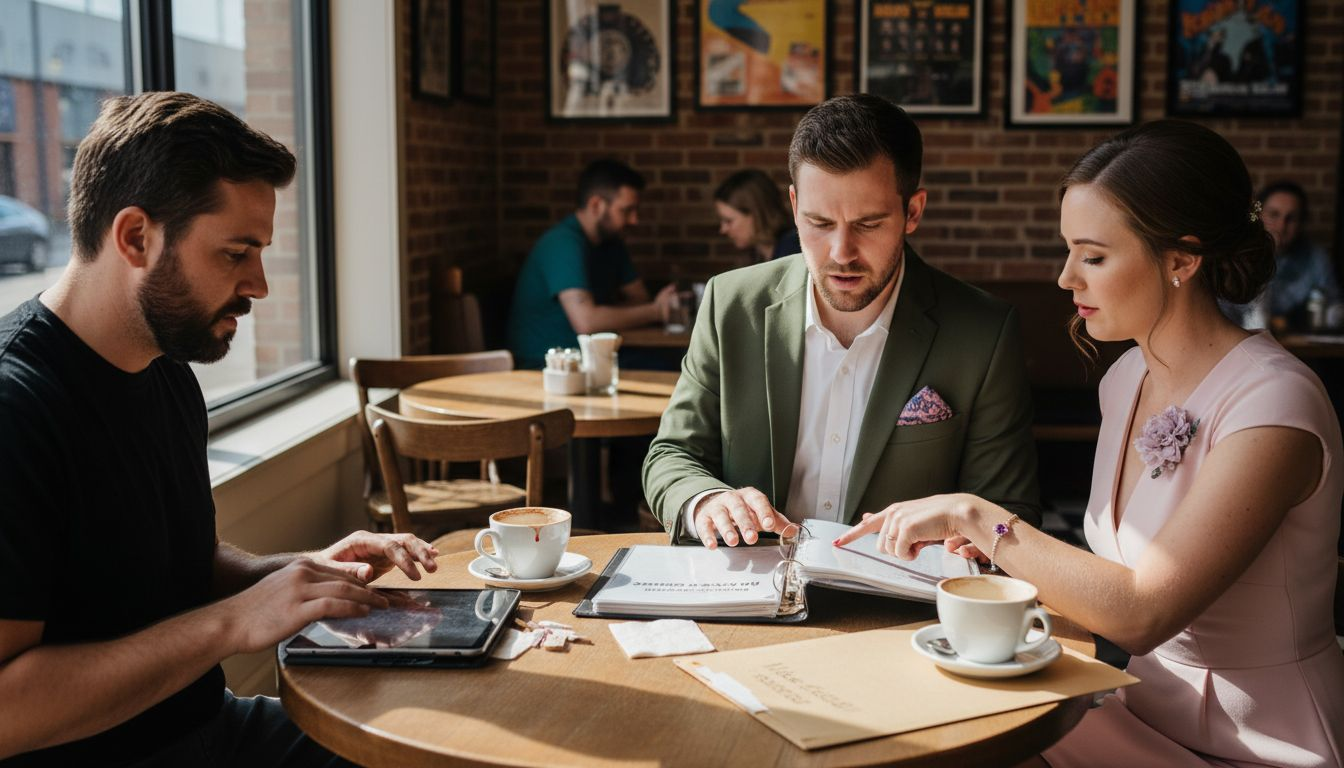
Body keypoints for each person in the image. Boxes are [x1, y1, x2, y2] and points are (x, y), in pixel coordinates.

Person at [837, 120, 1344, 767]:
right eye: (1068, 251)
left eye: (1093, 256)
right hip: (1136, 704)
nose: (1065, 278)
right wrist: (1002, 558)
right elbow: (1112, 579)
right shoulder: (1127, 378)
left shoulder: (1274, 405)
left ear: (1182, 259)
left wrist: (976, 515)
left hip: (1260, 740)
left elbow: (1141, 612)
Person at [0, 92, 441, 766]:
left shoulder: (167, 370)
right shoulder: (15, 409)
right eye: (237, 253)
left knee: (433, 749)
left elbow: (184, 566)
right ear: (135, 237)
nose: (259, 285)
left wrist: (304, 573)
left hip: (210, 730)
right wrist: (234, 622)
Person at [643, 94, 1040, 548]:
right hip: (751, 578)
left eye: (868, 224)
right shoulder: (730, 304)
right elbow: (672, 454)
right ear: (794, 206)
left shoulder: (984, 332)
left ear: (912, 212)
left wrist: (985, 542)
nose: (841, 253)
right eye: (819, 223)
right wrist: (705, 501)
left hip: (899, 588)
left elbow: (1010, 509)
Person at [507, 158, 675, 370]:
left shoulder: (612, 242)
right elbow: (587, 323)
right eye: (626, 211)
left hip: (596, 359)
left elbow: (639, 298)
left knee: (675, 363)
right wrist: (656, 311)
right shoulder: (562, 244)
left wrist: (603, 314)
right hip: (549, 365)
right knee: (669, 368)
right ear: (596, 205)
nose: (635, 220)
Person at [714, 169, 801, 263]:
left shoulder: (793, 250)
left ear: (756, 215)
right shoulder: (756, 255)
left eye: (729, 221)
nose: (723, 229)